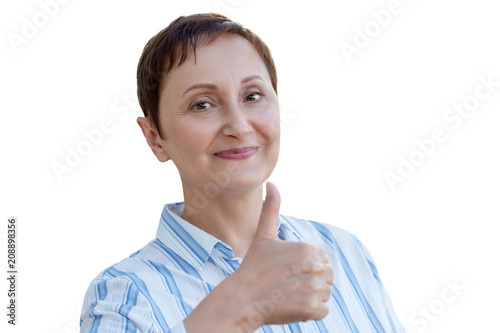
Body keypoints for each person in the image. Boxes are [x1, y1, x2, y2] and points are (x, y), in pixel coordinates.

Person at [80, 13, 405, 333]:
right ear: (154, 137)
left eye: (252, 96)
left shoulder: (343, 251)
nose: (239, 126)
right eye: (202, 104)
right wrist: (241, 306)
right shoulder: (125, 296)